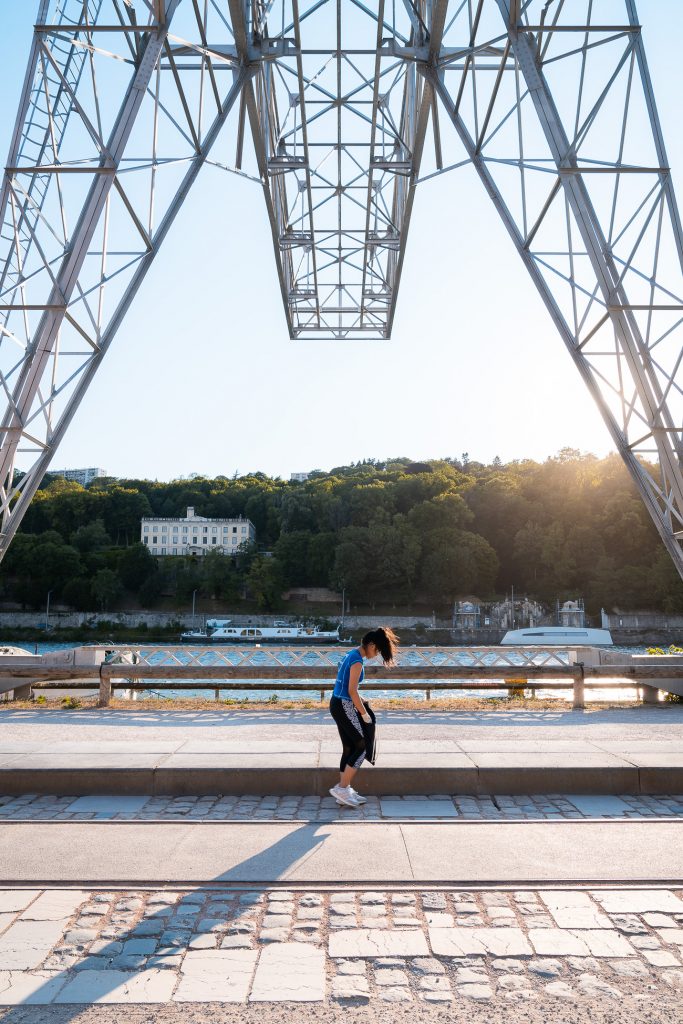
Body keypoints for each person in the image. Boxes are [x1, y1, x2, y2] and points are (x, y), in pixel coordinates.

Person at [329, 626, 399, 807]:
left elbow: (347, 687)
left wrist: (361, 703)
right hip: (343, 704)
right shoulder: (357, 661)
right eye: (377, 651)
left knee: (349, 747)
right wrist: (364, 713)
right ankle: (342, 788)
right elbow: (352, 691)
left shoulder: (351, 655)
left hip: (336, 703)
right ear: (371, 644)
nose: (376, 655)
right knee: (361, 747)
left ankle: (344, 791)